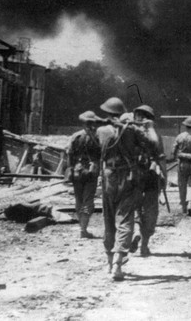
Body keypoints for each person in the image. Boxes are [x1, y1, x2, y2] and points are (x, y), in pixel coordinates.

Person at [97, 96, 152, 281]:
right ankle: (118, 265)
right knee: (125, 219)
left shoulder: (101, 130)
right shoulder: (131, 131)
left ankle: (109, 262)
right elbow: (150, 144)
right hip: (127, 178)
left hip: (108, 177)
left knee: (108, 219)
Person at [132, 104, 167, 257]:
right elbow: (161, 157)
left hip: (134, 176)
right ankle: (144, 245)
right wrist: (164, 178)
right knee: (151, 211)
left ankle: (136, 234)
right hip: (151, 176)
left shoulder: (129, 133)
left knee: (135, 208)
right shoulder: (154, 135)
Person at [65, 110, 103, 240]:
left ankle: (82, 229)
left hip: (77, 170)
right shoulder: (98, 137)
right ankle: (83, 229)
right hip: (91, 172)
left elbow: (69, 153)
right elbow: (102, 155)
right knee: (88, 200)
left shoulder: (76, 136)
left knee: (78, 199)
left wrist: (71, 168)